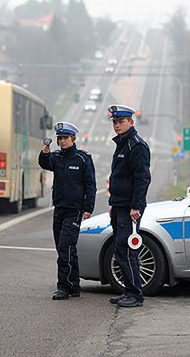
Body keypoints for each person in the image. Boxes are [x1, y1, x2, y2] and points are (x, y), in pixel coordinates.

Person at [38, 122, 97, 300]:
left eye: (65, 138)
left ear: (73, 139)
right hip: (59, 208)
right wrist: (44, 153)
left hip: (74, 210)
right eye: (60, 139)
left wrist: (88, 208)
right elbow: (45, 164)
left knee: (65, 247)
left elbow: (90, 185)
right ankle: (74, 286)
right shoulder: (56, 157)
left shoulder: (82, 159)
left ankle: (63, 286)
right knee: (66, 248)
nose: (62, 141)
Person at [107, 105, 151, 308]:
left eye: (121, 121)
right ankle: (128, 290)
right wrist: (113, 205)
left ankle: (135, 294)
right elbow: (119, 178)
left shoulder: (136, 145)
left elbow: (142, 178)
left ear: (131, 122)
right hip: (120, 206)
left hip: (129, 208)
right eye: (115, 122)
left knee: (125, 250)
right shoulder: (123, 144)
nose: (117, 125)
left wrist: (135, 206)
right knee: (121, 250)